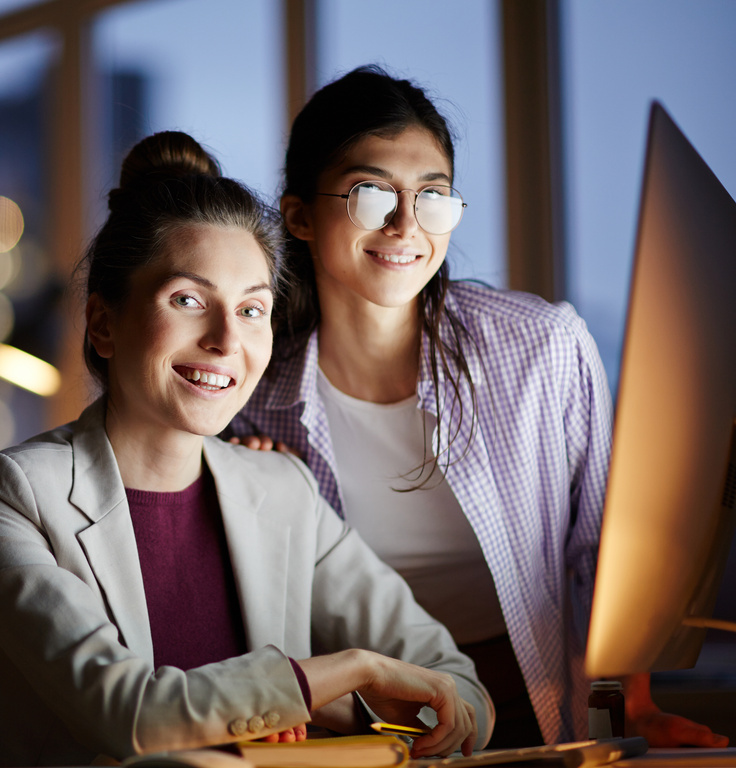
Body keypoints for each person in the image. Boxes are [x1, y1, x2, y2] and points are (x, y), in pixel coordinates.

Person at [0, 130, 494, 768]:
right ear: (102, 323)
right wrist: (349, 671)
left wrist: (345, 699)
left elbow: (461, 691)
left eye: (253, 309)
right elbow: (129, 715)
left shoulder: (283, 490)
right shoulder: (5, 495)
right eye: (187, 300)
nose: (226, 339)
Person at [228, 65, 728, 749]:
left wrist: (634, 709)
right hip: (358, 723)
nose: (407, 226)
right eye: (372, 194)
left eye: (432, 196)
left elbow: (602, 552)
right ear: (299, 216)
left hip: (537, 700)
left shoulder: (541, 347)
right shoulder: (251, 388)